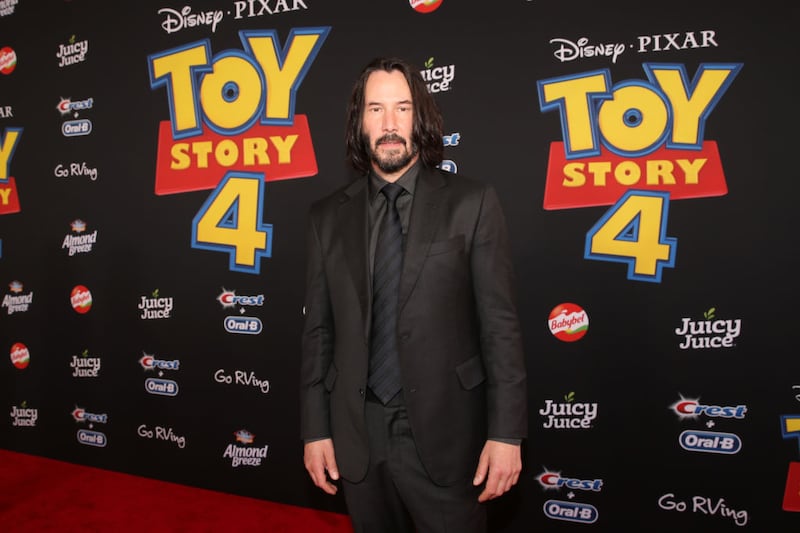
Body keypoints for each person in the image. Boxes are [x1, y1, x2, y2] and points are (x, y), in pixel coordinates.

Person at [300, 56, 527, 532]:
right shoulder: (326, 218)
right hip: (357, 433)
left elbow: (500, 328)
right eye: (375, 109)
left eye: (402, 108)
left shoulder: (472, 203)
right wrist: (315, 430)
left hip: (448, 431)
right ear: (359, 122)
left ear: (420, 117)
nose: (389, 124)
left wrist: (507, 434)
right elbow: (318, 332)